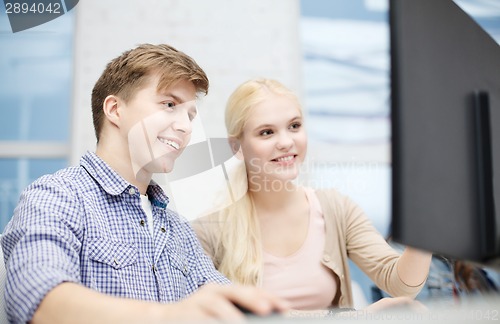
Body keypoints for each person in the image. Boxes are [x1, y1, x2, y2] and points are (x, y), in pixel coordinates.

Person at [0, 45, 288, 324]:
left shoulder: (178, 229)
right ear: (115, 110)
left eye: (190, 115)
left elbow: (223, 304)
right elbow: (39, 300)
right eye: (169, 105)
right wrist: (172, 316)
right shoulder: (57, 197)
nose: (186, 126)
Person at [192, 78, 433, 313]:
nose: (286, 142)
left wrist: (427, 220)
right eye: (267, 132)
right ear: (236, 148)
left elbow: (401, 285)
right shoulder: (209, 230)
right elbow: (219, 315)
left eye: (294, 126)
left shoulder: (336, 209)